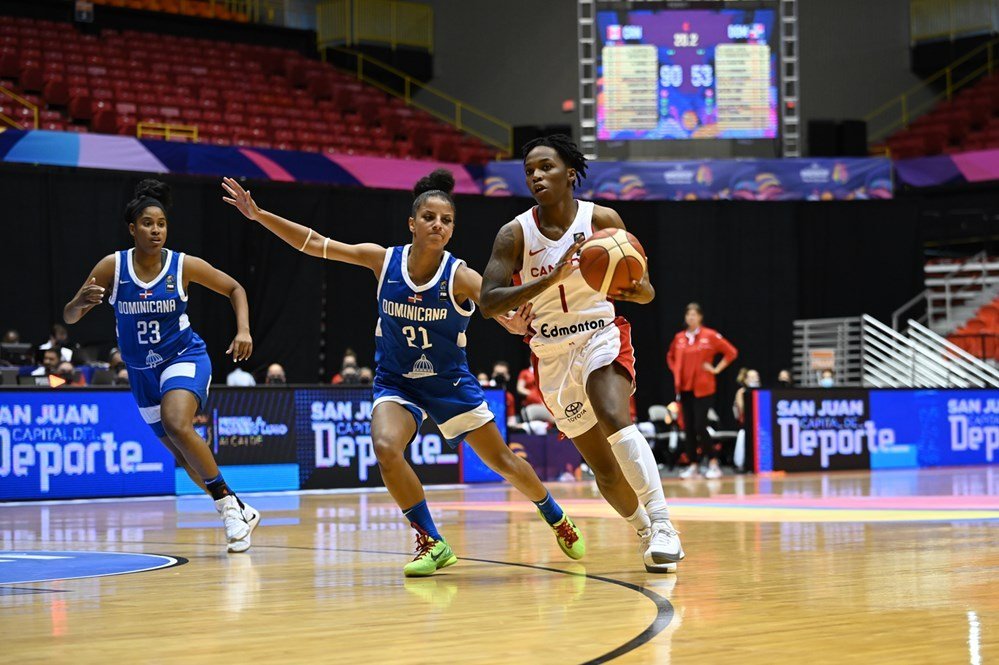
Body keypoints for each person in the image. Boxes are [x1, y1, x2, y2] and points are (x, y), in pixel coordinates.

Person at [222, 170, 585, 577]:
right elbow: (314, 243)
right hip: (396, 381)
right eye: (429, 217)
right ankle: (431, 540)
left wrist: (516, 322)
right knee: (385, 445)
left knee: (502, 461)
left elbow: (500, 308)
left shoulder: (460, 275)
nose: (438, 225)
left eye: (446, 220)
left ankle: (555, 515)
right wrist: (258, 215)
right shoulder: (384, 260)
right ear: (412, 223)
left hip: (449, 384)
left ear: (452, 230)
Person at [478, 134, 683, 573]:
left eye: (546, 167)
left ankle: (665, 525)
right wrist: (548, 280)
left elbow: (644, 292)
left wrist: (629, 284)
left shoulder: (602, 219)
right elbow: (488, 301)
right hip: (550, 353)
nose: (536, 175)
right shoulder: (514, 233)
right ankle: (645, 532)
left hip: (600, 334)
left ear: (570, 173)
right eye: (530, 170)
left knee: (612, 412)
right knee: (604, 471)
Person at [63, 179, 260, 554]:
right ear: (132, 228)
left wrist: (244, 329)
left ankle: (227, 510)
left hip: (183, 356)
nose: (156, 230)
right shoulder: (113, 266)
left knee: (177, 421)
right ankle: (239, 507)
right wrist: (80, 301)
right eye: (148, 224)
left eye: (162, 224)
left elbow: (235, 288)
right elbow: (70, 316)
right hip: (141, 373)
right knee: (180, 451)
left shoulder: (182, 264)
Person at [668, 302, 738, 480]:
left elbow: (731, 352)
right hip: (684, 388)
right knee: (688, 428)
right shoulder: (679, 338)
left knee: (700, 425)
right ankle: (693, 465)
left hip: (704, 388)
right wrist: (677, 373)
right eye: (688, 315)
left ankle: (713, 463)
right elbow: (670, 357)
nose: (691, 318)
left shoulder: (710, 335)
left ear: (700, 317)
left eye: (694, 315)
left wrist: (716, 369)